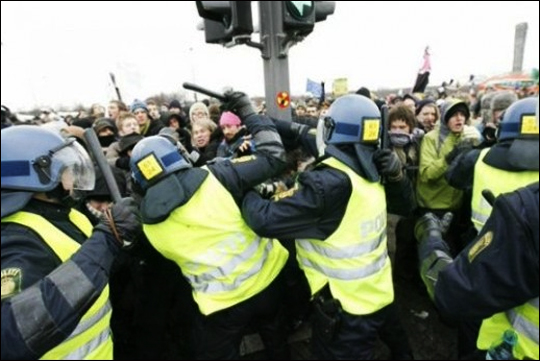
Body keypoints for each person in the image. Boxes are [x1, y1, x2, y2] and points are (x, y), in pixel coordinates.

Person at [241, 94, 415, 359]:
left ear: (331, 128)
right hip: (379, 291)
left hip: (347, 311)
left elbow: (262, 219)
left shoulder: (327, 184)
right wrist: (256, 118)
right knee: (400, 347)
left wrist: (245, 186)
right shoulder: (372, 165)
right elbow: (304, 134)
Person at [128, 91, 290, 359]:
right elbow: (274, 156)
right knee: (277, 342)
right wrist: (248, 112)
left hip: (221, 307)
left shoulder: (148, 227)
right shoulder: (216, 176)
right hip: (269, 282)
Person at [1, 125, 141, 360]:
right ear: (38, 174)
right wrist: (107, 239)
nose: (72, 174)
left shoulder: (66, 214)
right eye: (64, 168)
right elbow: (13, 330)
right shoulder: (14, 238)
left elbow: (97, 269)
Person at [415, 101, 539, 360]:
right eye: (454, 114)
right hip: (505, 268)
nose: (459, 119)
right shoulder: (434, 141)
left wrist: (432, 244)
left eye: (463, 114)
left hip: (482, 250)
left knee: (469, 320)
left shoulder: (479, 158)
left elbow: (454, 178)